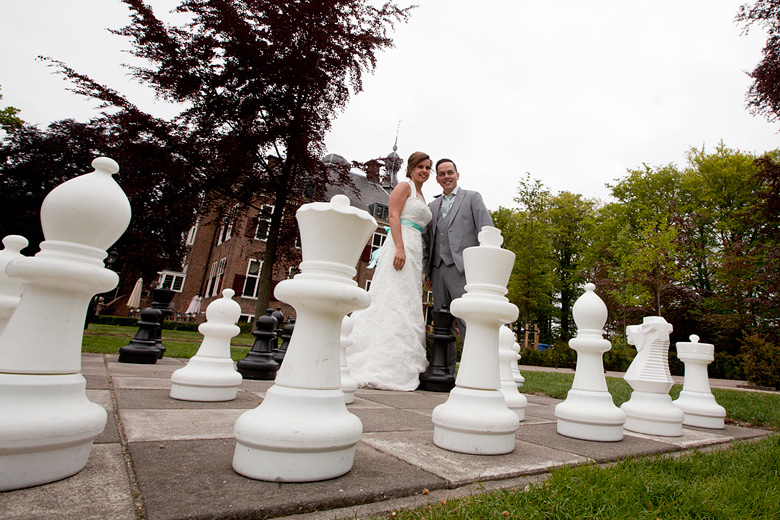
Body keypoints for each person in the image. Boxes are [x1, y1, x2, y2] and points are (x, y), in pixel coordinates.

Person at [346, 152, 433, 391]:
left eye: (428, 168)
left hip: (415, 249)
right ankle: (374, 359)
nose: (424, 171)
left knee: (407, 300)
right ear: (411, 168)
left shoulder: (422, 195)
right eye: (420, 167)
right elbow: (393, 216)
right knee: (391, 296)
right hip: (400, 244)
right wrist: (400, 248)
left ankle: (402, 358)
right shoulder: (404, 186)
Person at [422, 158, 493, 374]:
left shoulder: (472, 197)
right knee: (442, 324)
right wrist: (426, 270)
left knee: (467, 320)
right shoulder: (432, 206)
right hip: (438, 270)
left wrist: (483, 269)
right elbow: (427, 241)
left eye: (450, 172)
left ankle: (473, 372)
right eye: (442, 174)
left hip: (464, 269)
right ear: (437, 179)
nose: (446, 177)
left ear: (457, 175)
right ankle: (446, 372)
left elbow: (487, 231)